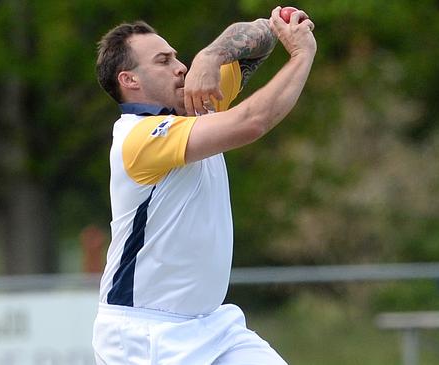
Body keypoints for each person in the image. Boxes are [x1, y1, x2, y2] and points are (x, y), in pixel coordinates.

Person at [92, 6, 316, 365]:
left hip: (212, 324)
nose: (180, 67)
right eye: (164, 61)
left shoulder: (195, 109)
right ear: (129, 80)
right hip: (145, 335)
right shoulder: (139, 137)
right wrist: (302, 55)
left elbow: (261, 36)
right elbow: (253, 122)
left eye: (177, 57)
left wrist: (214, 54)